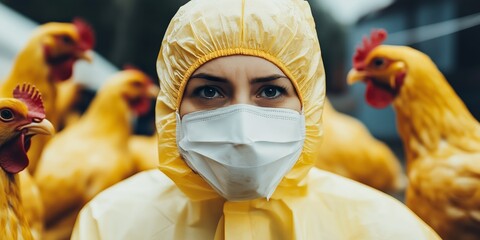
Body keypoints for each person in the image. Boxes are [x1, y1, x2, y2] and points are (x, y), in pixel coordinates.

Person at [71, 0, 441, 239]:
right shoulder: (111, 224)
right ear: (172, 109)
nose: (242, 127)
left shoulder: (385, 229)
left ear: (307, 105)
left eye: (269, 91)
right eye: (210, 92)